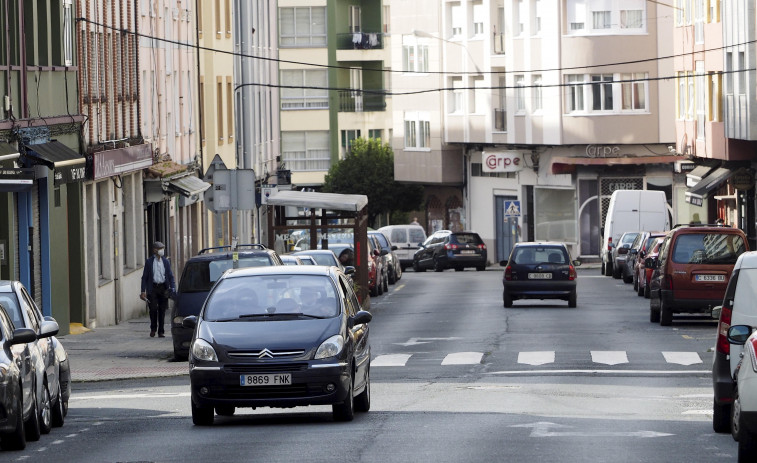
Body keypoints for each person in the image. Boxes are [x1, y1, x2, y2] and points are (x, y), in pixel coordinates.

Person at [140, 241, 176, 338]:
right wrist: (143, 291)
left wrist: (172, 287)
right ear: (155, 250)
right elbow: (144, 277)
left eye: (162, 249)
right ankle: (153, 329)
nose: (162, 251)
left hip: (163, 287)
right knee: (153, 309)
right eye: (160, 249)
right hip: (153, 288)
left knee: (162, 310)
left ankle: (161, 331)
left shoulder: (166, 262)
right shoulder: (149, 262)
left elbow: (170, 276)